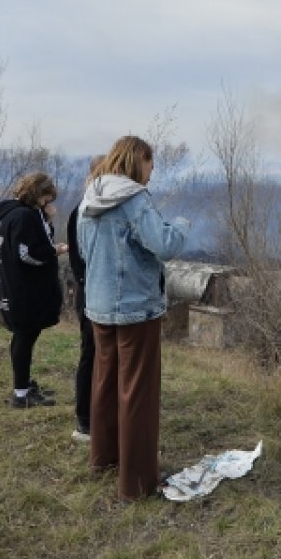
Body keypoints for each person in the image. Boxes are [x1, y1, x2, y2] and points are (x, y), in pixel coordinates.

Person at [77, 136, 187, 501]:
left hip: (99, 305)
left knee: (105, 384)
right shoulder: (134, 199)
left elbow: (81, 249)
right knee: (138, 393)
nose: (151, 173)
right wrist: (181, 226)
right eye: (150, 165)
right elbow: (166, 246)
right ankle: (137, 483)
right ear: (138, 159)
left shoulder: (89, 198)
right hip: (136, 308)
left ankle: (104, 460)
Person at [0, 173, 69, 409]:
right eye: (47, 197)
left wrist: (46, 220)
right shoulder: (24, 216)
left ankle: (22, 385)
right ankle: (21, 394)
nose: (49, 201)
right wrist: (55, 251)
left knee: (23, 336)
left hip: (13, 286)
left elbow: (29, 243)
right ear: (38, 194)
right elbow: (29, 253)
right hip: (25, 290)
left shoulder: (12, 213)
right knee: (25, 336)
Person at [66, 155, 105, 444]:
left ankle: (93, 418)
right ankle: (85, 422)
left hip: (88, 288)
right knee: (91, 354)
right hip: (91, 289)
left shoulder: (83, 208)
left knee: (94, 354)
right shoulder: (87, 211)